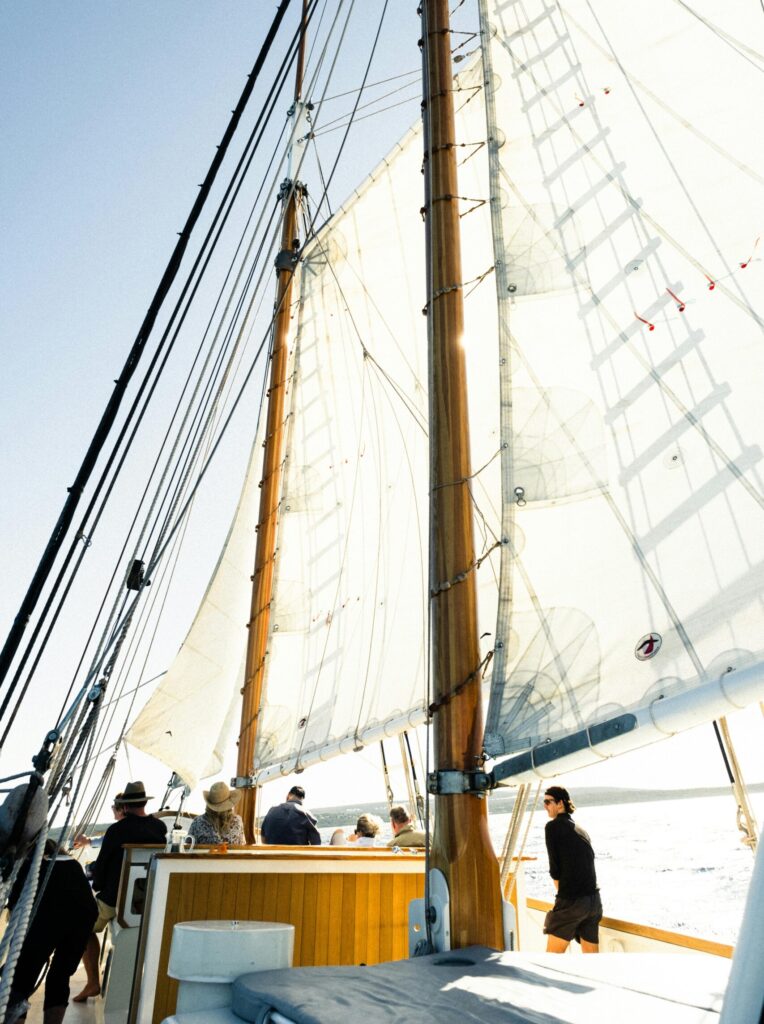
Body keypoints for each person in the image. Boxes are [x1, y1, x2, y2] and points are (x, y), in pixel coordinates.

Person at [74, 781, 167, 1001]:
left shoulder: (117, 830)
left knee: (82, 927)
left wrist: (95, 885)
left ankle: (93, 983)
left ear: (124, 807)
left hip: (115, 900)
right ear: (144, 802)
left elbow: (102, 867)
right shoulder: (160, 828)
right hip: (148, 899)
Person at [5, 840, 98, 1024]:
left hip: (48, 919)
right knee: (59, 977)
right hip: (82, 918)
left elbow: (15, 907)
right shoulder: (73, 864)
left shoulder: (30, 867)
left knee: (21, 981)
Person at [542, 785, 602, 954]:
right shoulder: (582, 830)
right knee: (592, 960)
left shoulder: (552, 827)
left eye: (548, 802)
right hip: (594, 902)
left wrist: (564, 902)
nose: (545, 806)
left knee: (550, 960)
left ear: (560, 803)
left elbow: (555, 870)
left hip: (573, 902)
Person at [188, 781, 245, 845]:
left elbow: (187, 847)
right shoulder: (237, 821)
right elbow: (241, 847)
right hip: (231, 855)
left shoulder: (198, 822)